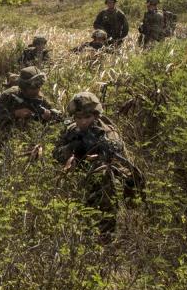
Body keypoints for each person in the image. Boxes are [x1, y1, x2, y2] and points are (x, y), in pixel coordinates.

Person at [53, 92, 143, 235]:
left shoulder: (107, 133)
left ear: (95, 116)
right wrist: (72, 149)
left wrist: (98, 157)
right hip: (78, 175)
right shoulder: (71, 130)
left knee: (104, 179)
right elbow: (55, 153)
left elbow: (116, 154)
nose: (82, 122)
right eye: (78, 118)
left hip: (109, 174)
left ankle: (106, 232)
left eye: (87, 117)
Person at [0, 66, 61, 131]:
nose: (37, 90)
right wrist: (15, 114)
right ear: (24, 87)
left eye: (39, 86)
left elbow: (53, 117)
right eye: (33, 87)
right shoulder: (9, 95)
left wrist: (48, 117)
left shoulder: (40, 98)